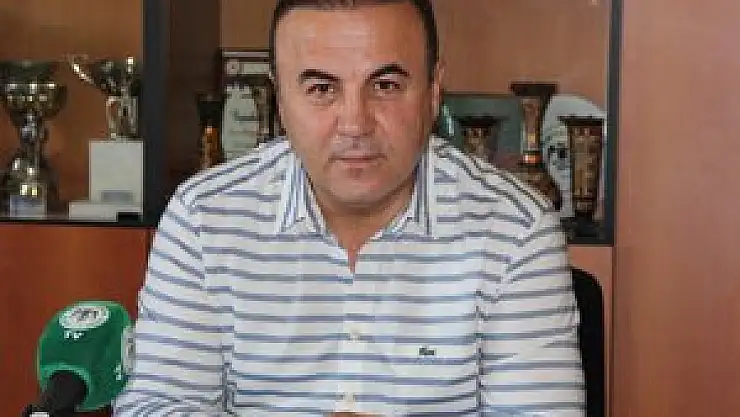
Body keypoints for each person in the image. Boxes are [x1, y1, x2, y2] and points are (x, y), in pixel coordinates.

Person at [113, 0, 584, 415]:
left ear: (433, 90)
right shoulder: (204, 218)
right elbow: (155, 405)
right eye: (322, 89)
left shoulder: (516, 229)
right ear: (280, 100)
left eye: (386, 85)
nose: (355, 124)